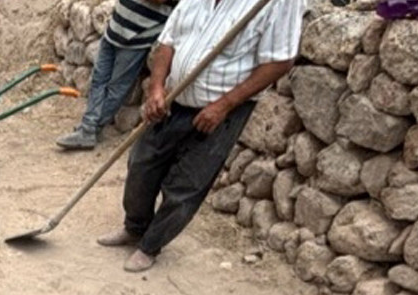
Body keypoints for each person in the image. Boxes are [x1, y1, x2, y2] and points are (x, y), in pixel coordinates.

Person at [97, 0, 305, 272]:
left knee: (186, 184)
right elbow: (168, 40)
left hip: (221, 110)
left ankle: (150, 245)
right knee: (141, 164)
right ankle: (134, 228)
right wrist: (157, 87)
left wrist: (225, 104)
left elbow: (279, 61)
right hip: (173, 98)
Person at [54, 0, 179, 150]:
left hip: (135, 38)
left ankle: (89, 129)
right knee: (98, 79)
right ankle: (88, 126)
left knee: (116, 88)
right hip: (115, 28)